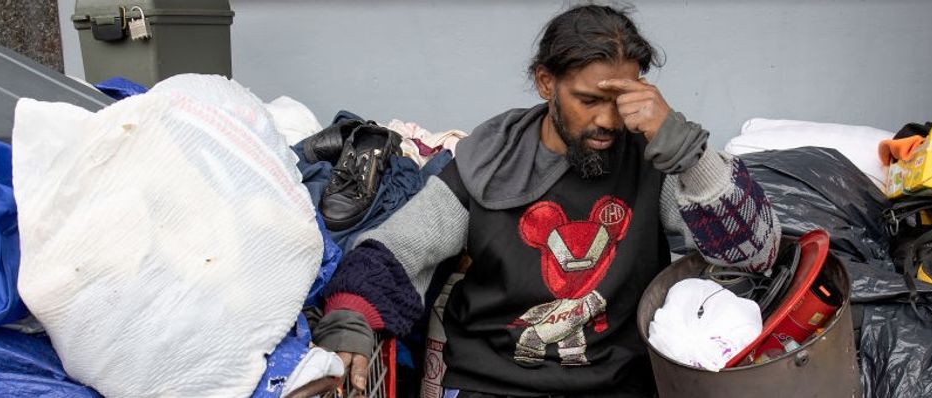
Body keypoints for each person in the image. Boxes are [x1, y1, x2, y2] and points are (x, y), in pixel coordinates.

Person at [312, 5, 780, 397]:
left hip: (618, 386)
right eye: (588, 100)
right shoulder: (492, 159)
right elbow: (397, 247)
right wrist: (352, 312)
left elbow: (755, 253)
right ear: (544, 83)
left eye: (622, 101)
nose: (608, 121)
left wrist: (684, 149)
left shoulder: (651, 157)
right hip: (493, 383)